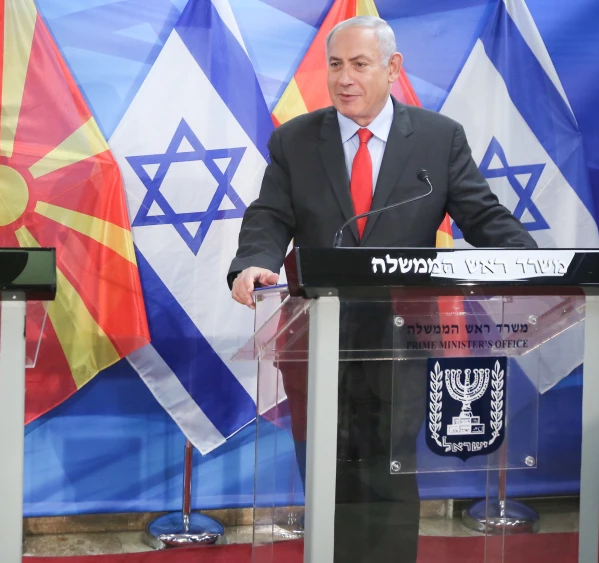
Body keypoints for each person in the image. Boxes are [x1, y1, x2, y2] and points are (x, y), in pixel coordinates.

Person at [228, 16, 536, 563]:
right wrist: (253, 263)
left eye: (360, 64)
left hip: (401, 343)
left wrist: (540, 268)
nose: (345, 78)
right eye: (336, 65)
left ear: (392, 69)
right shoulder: (296, 140)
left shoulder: (438, 139)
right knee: (324, 470)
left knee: (390, 471)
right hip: (316, 340)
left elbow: (483, 217)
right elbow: (270, 214)